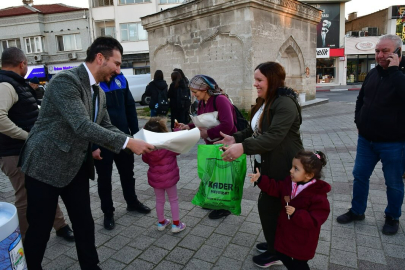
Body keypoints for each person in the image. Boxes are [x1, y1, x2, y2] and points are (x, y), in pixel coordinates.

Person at [19, 37, 155, 270]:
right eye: (117, 63)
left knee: (84, 222)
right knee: (40, 228)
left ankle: (91, 266)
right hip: (45, 166)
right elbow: (82, 125)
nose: (118, 70)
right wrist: (126, 142)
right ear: (100, 58)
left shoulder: (98, 93)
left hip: (76, 166)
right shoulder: (66, 81)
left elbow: (106, 126)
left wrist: (135, 140)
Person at [216, 62, 303, 267]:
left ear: (272, 80)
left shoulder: (285, 103)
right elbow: (254, 129)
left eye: (259, 80)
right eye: (255, 79)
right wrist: (235, 138)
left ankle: (278, 253)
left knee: (270, 206)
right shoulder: (266, 100)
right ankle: (275, 245)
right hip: (268, 162)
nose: (255, 84)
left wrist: (243, 148)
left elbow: (274, 136)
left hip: (284, 164)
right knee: (270, 206)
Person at [0, 47, 74, 242]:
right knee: (25, 198)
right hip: (14, 153)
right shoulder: (6, 85)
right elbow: (0, 118)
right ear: (22, 63)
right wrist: (27, 136)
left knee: (46, 186)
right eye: (27, 64)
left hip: (27, 150)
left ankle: (60, 225)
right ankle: (22, 242)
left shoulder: (16, 84)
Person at [336, 34, 405, 235]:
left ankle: (392, 217)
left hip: (393, 143)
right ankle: (357, 211)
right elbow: (361, 100)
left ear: (398, 52)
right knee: (359, 175)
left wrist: (394, 71)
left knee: (392, 182)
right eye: (377, 51)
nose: (380, 55)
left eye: (385, 51)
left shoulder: (400, 76)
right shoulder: (373, 74)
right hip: (367, 140)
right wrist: (359, 121)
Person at [250, 150, 331, 270]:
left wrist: (296, 214)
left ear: (308, 175)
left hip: (303, 240)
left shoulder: (317, 195)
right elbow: (276, 188)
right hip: (287, 234)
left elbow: (315, 219)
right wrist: (261, 179)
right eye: (292, 167)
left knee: (300, 264)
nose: (290, 171)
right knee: (281, 253)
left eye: (296, 169)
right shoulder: (290, 182)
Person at [93, 72, 151, 231]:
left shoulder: (121, 79)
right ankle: (108, 212)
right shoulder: (94, 83)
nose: (118, 67)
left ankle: (132, 202)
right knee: (104, 178)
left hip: (124, 138)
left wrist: (135, 135)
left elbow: (130, 107)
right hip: (102, 140)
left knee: (128, 173)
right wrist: (93, 146)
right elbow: (88, 117)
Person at [176, 75, 237, 219]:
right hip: (211, 144)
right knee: (214, 175)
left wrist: (207, 132)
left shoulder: (220, 100)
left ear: (205, 89)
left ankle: (224, 207)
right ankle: (215, 201)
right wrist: (188, 126)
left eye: (195, 91)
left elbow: (229, 124)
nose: (193, 94)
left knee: (224, 177)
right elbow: (202, 122)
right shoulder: (202, 102)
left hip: (224, 144)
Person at [141, 117, 186, 233]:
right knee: (173, 199)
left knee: (159, 200)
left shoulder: (147, 147)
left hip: (156, 178)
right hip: (170, 178)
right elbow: (179, 149)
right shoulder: (168, 145)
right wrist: (176, 133)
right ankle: (176, 224)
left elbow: (145, 159)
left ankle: (161, 222)